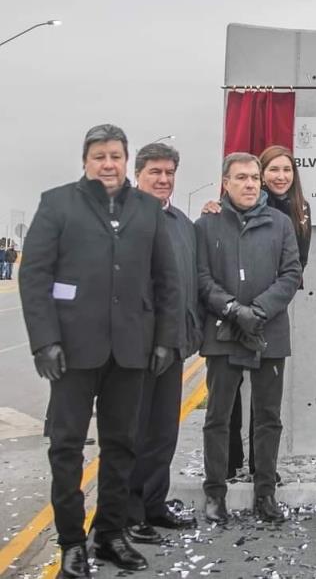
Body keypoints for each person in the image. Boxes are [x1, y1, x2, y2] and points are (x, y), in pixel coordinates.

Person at [18, 124, 180, 578]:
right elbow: (35, 279)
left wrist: (165, 338)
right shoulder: (57, 204)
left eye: (115, 156)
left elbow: (166, 281)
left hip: (131, 350)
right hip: (71, 351)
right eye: (99, 157)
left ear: (126, 160)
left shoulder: (147, 210)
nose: (108, 164)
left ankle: (110, 534)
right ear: (86, 162)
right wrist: (45, 341)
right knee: (67, 447)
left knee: (122, 445)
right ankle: (72, 542)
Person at [196, 152, 301, 525]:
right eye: (240, 178)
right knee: (218, 416)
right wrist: (232, 309)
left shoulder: (280, 223)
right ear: (225, 183)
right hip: (222, 331)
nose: (250, 184)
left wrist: (256, 311)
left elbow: (291, 275)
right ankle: (214, 493)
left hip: (268, 330)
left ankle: (265, 492)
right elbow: (202, 277)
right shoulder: (206, 224)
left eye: (254, 177)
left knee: (268, 416)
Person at [126, 143, 202, 545]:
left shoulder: (182, 224)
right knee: (133, 435)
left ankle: (154, 504)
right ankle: (130, 512)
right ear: (138, 174)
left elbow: (189, 282)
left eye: (169, 172)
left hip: (171, 348)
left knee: (162, 434)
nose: (163, 179)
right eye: (155, 171)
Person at [226, 145, 312, 481]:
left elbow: (297, 267)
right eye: (273, 170)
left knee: (264, 399)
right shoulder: (242, 206)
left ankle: (261, 468)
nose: (280, 176)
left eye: (287, 170)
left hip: (271, 311)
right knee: (230, 392)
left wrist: (266, 305)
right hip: (234, 310)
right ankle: (231, 461)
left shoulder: (299, 211)